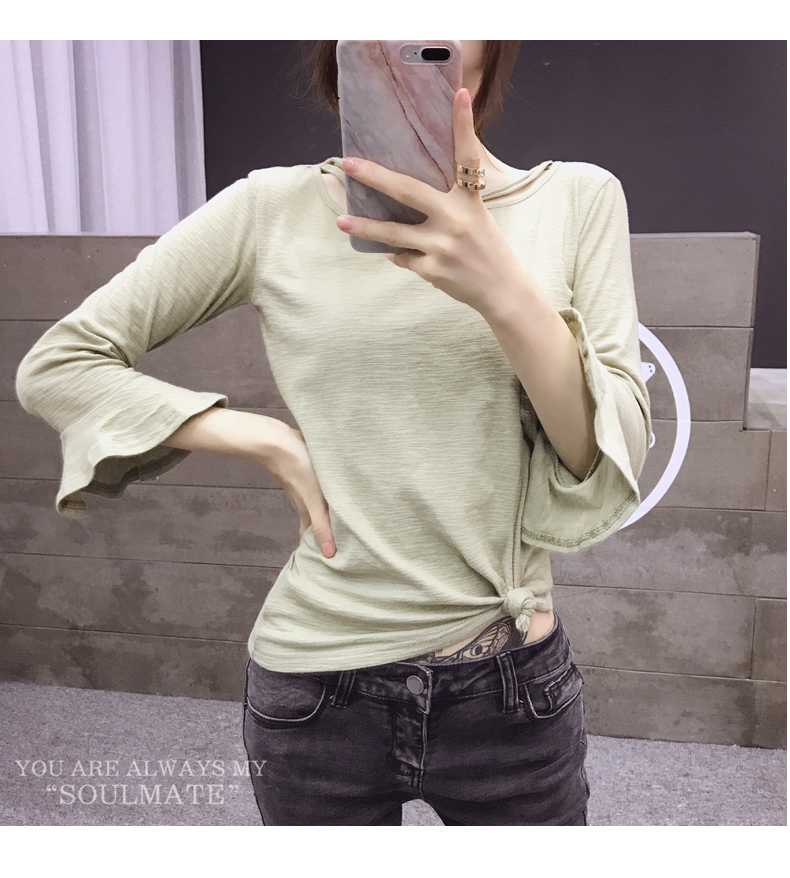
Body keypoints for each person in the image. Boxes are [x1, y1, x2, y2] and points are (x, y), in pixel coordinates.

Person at [15, 40, 651, 826]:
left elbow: (604, 457)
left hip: (511, 687)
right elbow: (60, 365)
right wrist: (265, 440)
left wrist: (505, 291)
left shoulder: (578, 199)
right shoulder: (270, 209)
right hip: (316, 691)